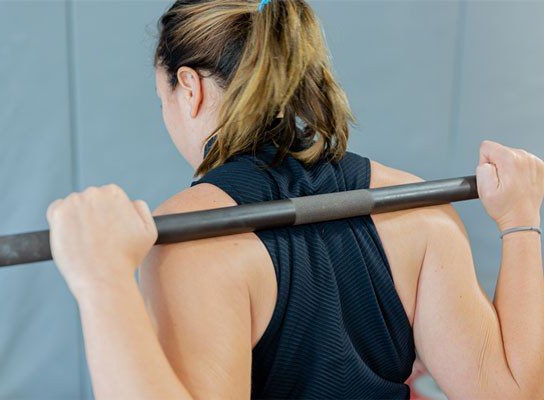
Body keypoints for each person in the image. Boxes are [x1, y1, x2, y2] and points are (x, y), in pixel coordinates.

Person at [46, 0, 544, 398]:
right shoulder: (416, 208)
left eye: (164, 101)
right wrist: (520, 219)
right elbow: (513, 392)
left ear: (189, 88)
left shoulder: (192, 238)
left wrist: (103, 283)